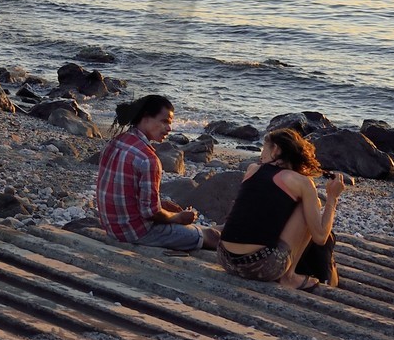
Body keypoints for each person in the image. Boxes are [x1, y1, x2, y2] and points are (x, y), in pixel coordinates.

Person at [217, 128, 347, 290]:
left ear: (276, 150)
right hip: (260, 267)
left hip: (225, 259)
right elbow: (320, 237)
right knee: (307, 207)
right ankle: (289, 277)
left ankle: (288, 272)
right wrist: (332, 198)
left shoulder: (252, 169)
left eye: (264, 149)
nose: (261, 156)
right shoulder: (303, 183)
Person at [94, 94, 219, 252]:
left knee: (206, 229)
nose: (169, 128)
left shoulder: (115, 142)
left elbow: (125, 190)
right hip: (136, 232)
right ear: (145, 117)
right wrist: (177, 218)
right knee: (212, 236)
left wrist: (161, 205)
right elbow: (150, 213)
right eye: (164, 121)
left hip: (112, 226)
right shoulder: (148, 159)